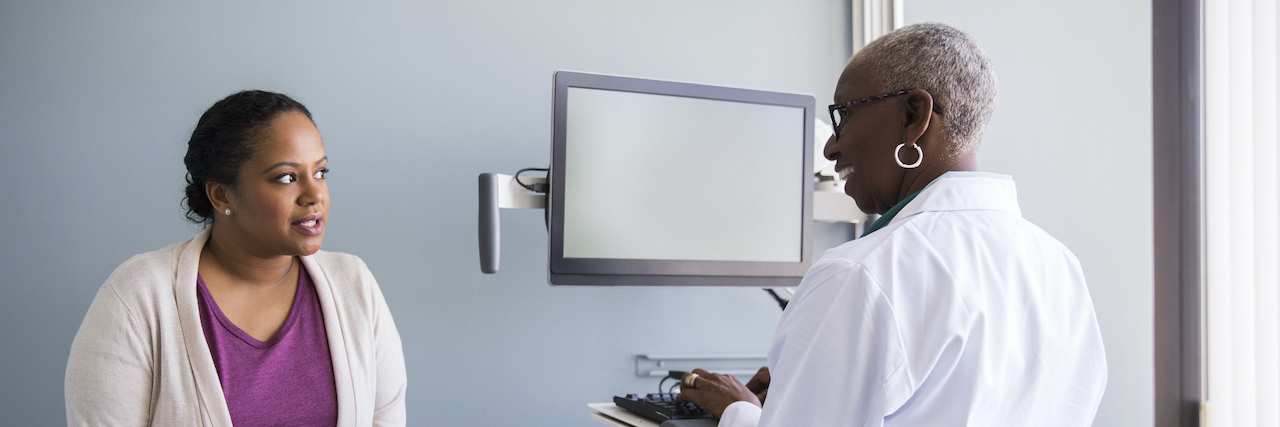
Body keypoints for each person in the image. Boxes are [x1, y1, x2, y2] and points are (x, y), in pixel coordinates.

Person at [676, 23, 1107, 426]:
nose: (830, 146)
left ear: (913, 117)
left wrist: (741, 412)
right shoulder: (1059, 266)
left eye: (843, 115)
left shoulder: (861, 274)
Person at [65, 90, 407, 426]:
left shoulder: (354, 284)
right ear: (221, 193)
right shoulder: (136, 298)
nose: (315, 194)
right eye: (287, 177)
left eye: (320, 172)